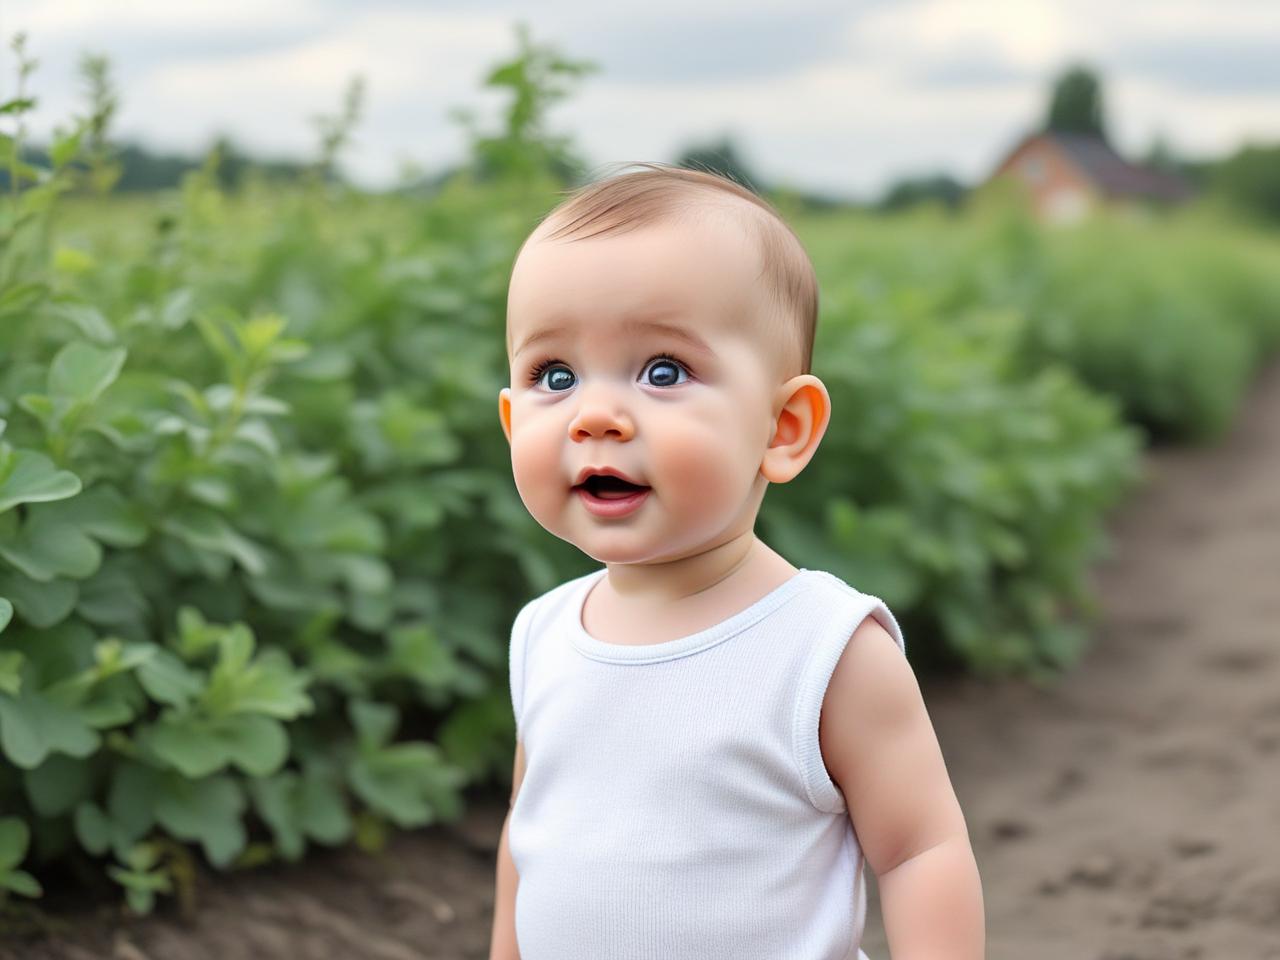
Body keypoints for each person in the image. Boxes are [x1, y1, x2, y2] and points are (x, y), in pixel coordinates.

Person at [488, 162, 984, 960]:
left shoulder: (826, 650)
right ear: (512, 422)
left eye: (663, 372)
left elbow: (920, 849)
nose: (596, 416)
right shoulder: (542, 636)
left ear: (783, 428)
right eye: (556, 375)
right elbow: (530, 832)